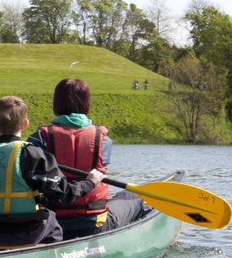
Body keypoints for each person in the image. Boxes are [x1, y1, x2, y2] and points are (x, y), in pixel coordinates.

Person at [0, 96, 104, 245]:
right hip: (26, 232)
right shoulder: (33, 155)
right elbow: (63, 196)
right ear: (25, 125)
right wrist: (90, 182)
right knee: (51, 218)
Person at [26, 78, 144, 239]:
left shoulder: (38, 138)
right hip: (93, 222)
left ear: (56, 103)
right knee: (133, 196)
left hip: (53, 223)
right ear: (86, 103)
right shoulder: (103, 140)